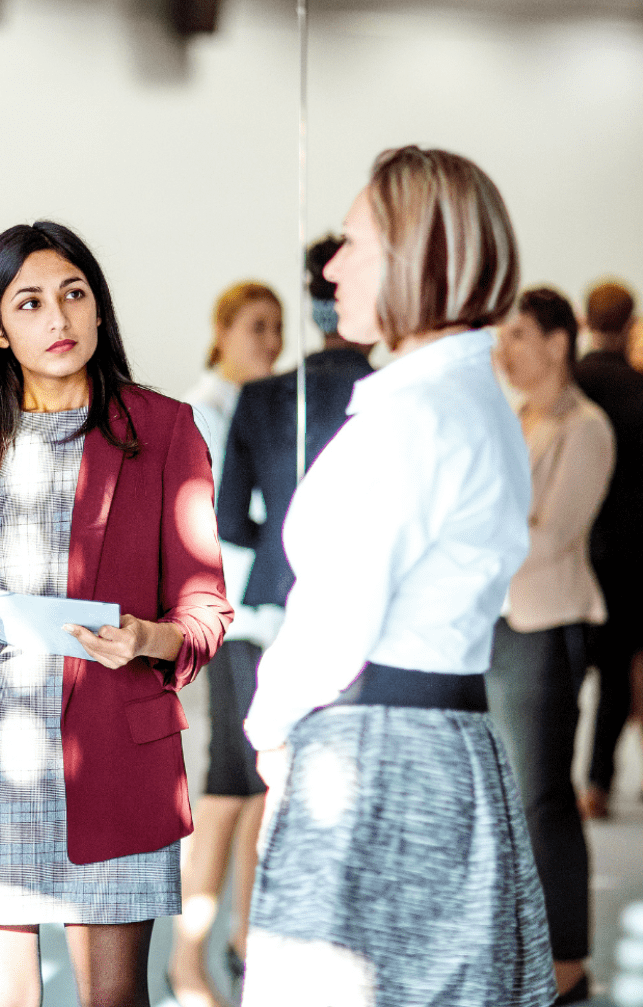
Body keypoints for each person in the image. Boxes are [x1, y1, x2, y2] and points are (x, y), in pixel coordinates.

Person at [242, 146, 554, 1007]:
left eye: (354, 243)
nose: (332, 266)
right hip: (447, 742)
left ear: (419, 255)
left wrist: (271, 728)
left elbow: (336, 616)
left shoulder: (416, 416)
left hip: (374, 751)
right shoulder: (465, 400)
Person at [0, 221, 231, 1007]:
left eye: (74, 295)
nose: (59, 320)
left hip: (113, 765)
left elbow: (205, 606)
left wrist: (149, 639)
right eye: (32, 303)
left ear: (100, 310)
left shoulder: (164, 428)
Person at [170, 237, 374, 1007]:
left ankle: (245, 935)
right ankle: (192, 952)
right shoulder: (218, 406)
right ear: (223, 331)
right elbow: (205, 524)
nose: (268, 339)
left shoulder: (267, 399)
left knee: (260, 786)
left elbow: (237, 517)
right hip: (243, 609)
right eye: (254, 325)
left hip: (265, 599)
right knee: (233, 778)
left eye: (276, 324)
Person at [490, 286, 613, 1004]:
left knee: (544, 798)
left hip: (547, 624)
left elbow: (552, 533)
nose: (504, 351)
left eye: (518, 336)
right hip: (499, 624)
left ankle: (568, 956)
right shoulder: (513, 417)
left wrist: (471, 539)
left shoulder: (585, 425)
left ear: (559, 343)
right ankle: (525, 942)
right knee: (512, 797)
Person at [574, 280, 643, 821]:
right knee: (618, 673)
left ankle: (557, 773)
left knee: (567, 668)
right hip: (629, 550)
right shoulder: (640, 390)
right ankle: (598, 782)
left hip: (572, 543)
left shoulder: (568, 384)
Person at [181, 281, 284, 485]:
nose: (273, 342)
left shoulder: (272, 404)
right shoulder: (201, 411)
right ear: (222, 332)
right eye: (258, 328)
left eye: (278, 328)